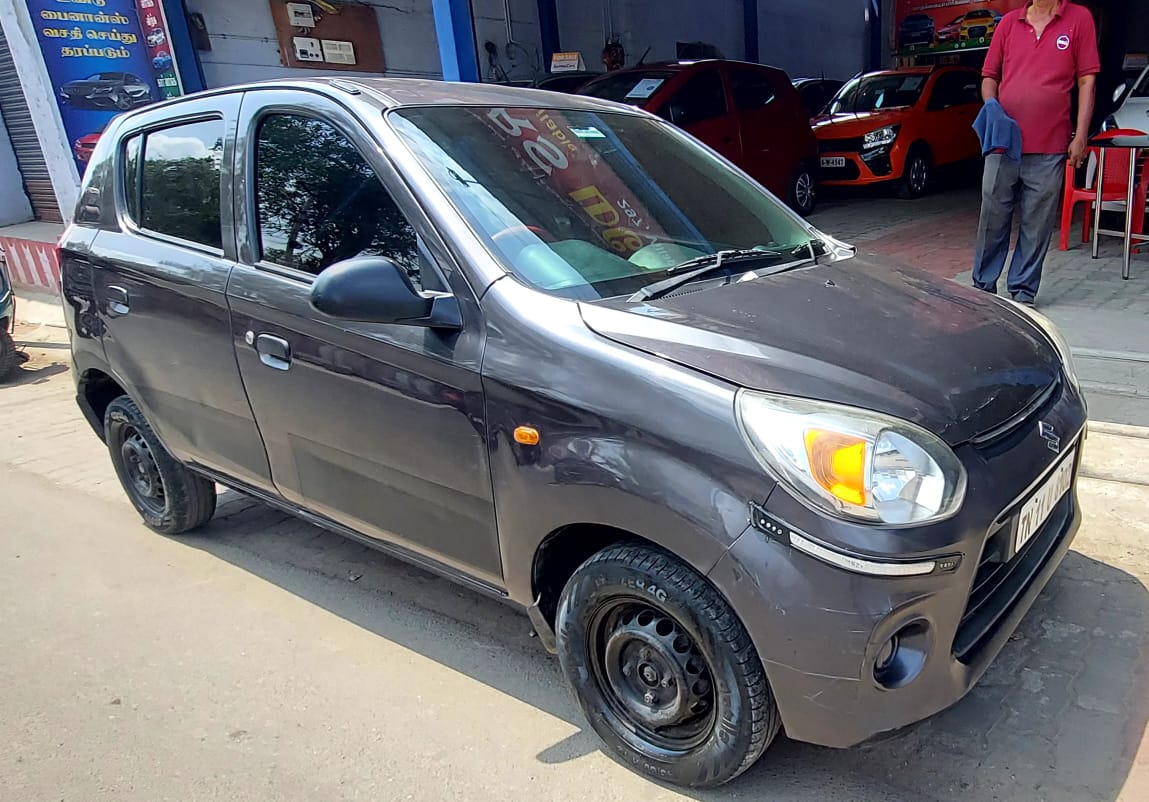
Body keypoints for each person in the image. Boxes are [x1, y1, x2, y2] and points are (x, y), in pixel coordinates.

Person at [972, 0, 1100, 306]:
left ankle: (1023, 291)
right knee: (992, 216)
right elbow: (990, 77)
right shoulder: (1008, 23)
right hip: (1003, 143)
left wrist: (1080, 135)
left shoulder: (1079, 19)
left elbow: (1087, 80)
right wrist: (991, 106)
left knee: (1037, 222)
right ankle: (982, 287)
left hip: (1051, 143)